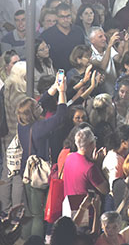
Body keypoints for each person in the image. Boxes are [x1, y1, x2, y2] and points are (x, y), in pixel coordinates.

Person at [17, 73, 67, 238]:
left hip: (26, 172)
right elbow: (60, 116)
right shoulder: (40, 127)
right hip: (39, 175)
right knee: (39, 215)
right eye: (37, 107)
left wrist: (54, 86)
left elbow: (41, 102)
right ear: (33, 113)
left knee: (31, 212)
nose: (40, 107)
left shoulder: (22, 124)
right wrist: (62, 92)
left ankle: (24, 240)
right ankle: (37, 241)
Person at [41, 3, 85, 72]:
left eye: (68, 16)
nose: (65, 19)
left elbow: (84, 52)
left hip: (77, 73)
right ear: (56, 17)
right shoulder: (47, 35)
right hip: (56, 74)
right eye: (62, 17)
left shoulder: (78, 31)